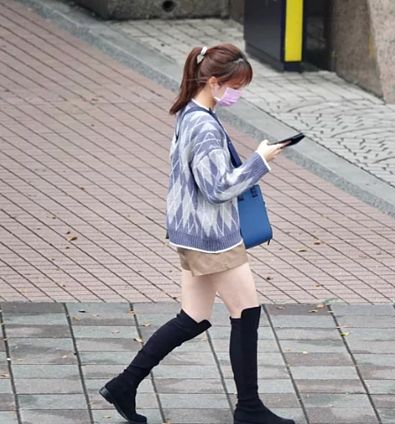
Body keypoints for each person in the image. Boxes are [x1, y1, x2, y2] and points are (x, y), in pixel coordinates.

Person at [99, 44, 294, 424]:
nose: (238, 93)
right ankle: (249, 408)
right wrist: (261, 160)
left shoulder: (191, 113)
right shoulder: (203, 124)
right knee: (246, 313)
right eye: (236, 86)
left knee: (193, 317)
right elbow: (217, 187)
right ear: (214, 82)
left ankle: (124, 384)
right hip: (211, 237)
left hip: (193, 233)